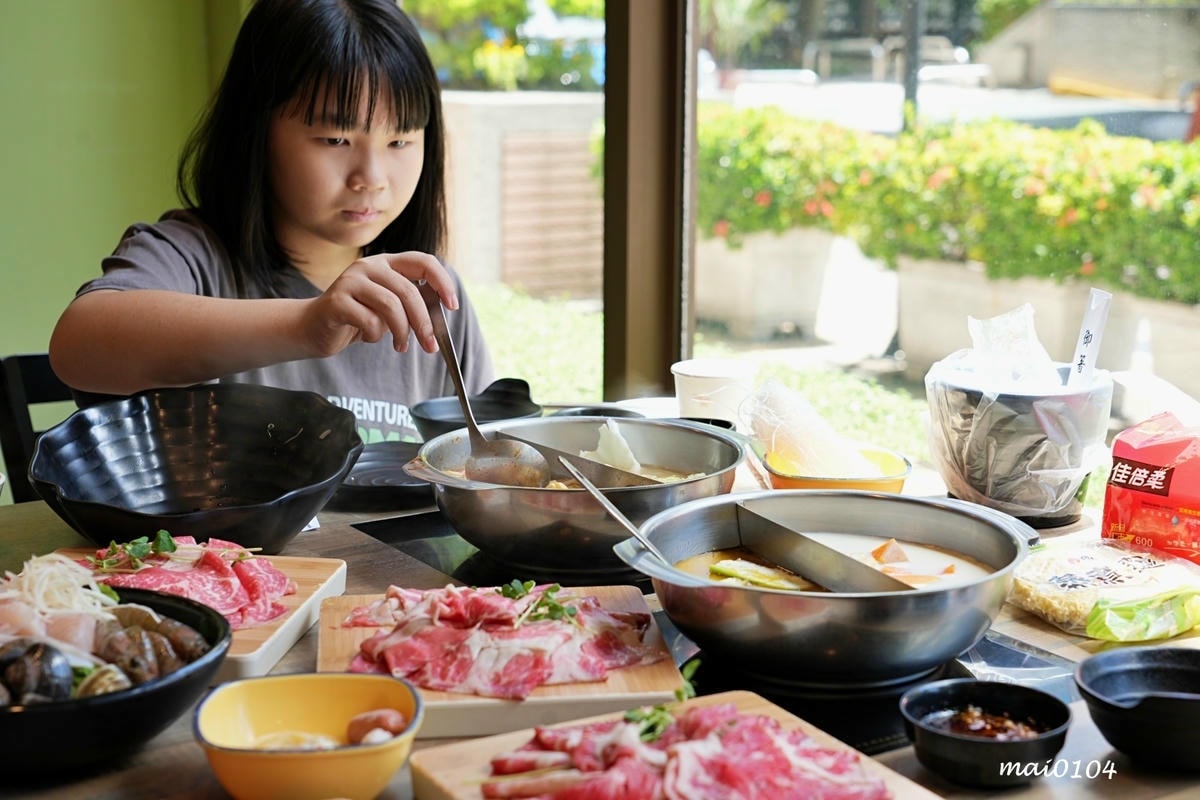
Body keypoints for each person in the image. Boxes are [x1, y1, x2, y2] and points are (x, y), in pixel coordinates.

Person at [48, 0, 494, 444]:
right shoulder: (193, 258)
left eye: (400, 140)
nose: (372, 179)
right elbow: (78, 346)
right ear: (256, 131)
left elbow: (486, 466)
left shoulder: (429, 295)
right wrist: (306, 324)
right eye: (335, 139)